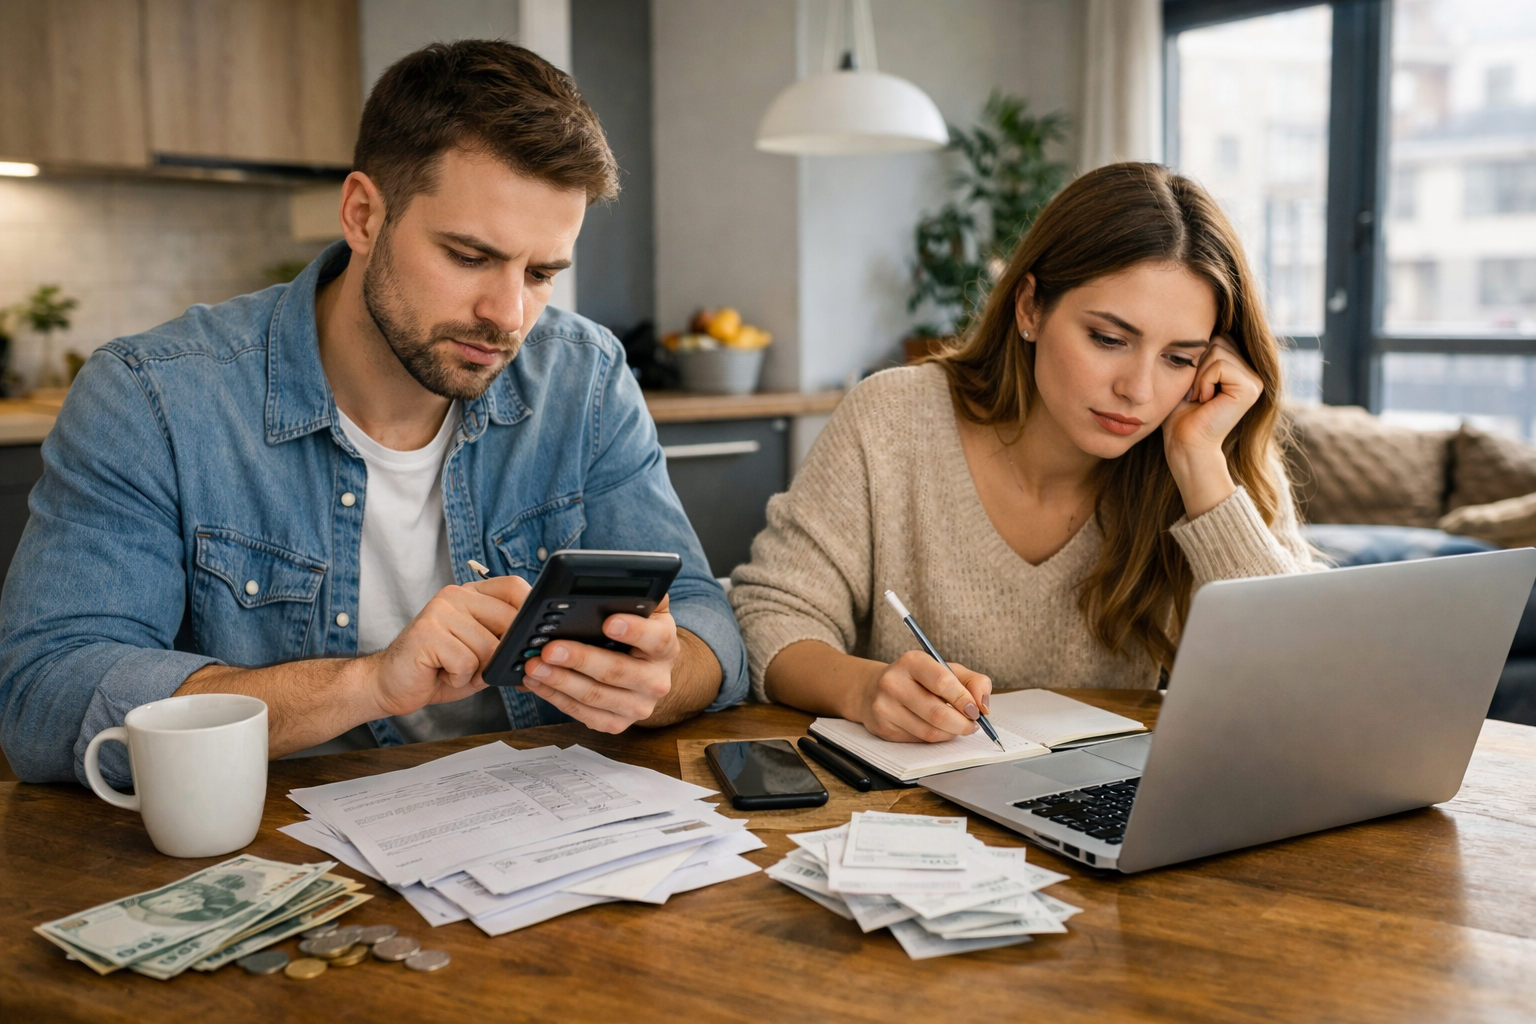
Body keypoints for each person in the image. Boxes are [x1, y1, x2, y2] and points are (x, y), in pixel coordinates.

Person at [0, 41, 746, 787]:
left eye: (541, 273)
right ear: (362, 215)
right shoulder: (153, 397)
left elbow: (706, 625)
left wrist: (659, 677)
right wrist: (368, 684)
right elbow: (45, 697)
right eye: (469, 256)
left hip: (542, 823)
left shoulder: (584, 377)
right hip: (278, 835)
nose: (508, 314)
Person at [730, 162, 1322, 745]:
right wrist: (863, 689)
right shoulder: (893, 420)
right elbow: (770, 617)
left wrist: (1199, 466)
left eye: (1179, 358)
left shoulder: (1209, 452)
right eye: (1109, 339)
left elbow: (1301, 687)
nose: (1139, 391)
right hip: (905, 797)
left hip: (1110, 794)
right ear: (1030, 307)